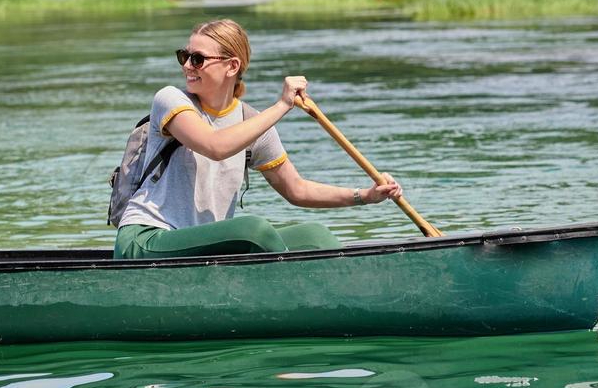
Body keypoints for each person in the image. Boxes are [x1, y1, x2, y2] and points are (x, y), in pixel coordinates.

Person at [114, 18, 403, 260]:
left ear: (232, 66)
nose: (187, 65)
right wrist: (282, 106)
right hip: (146, 241)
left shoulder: (251, 123)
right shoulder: (170, 100)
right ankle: (298, 290)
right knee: (253, 230)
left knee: (316, 236)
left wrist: (364, 196)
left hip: (203, 250)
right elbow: (215, 146)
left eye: (198, 59)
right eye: (184, 56)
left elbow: (297, 190)